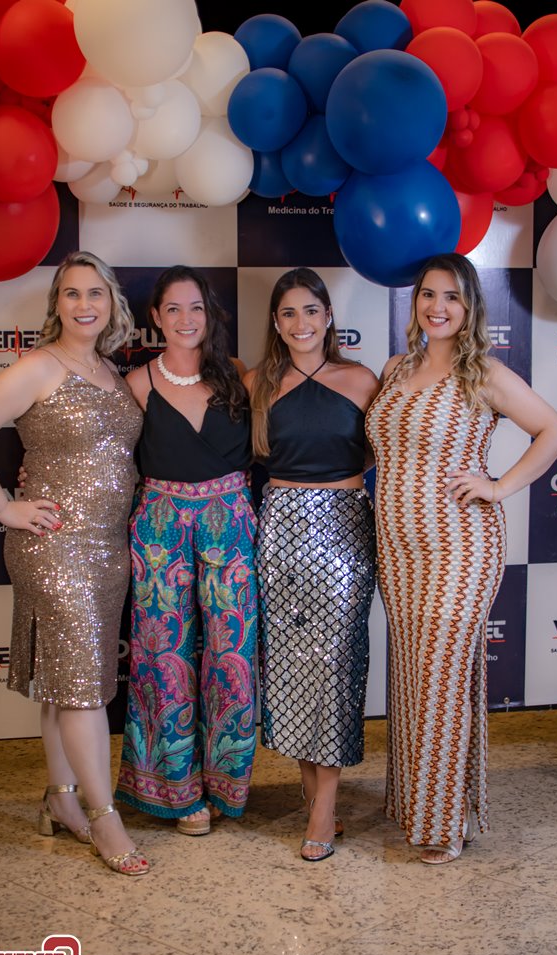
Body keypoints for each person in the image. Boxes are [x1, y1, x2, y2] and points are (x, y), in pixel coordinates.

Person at [365, 253, 557, 865]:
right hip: (397, 547)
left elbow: (555, 431)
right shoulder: (395, 367)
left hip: (461, 544)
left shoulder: (483, 373)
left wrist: (499, 485)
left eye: (452, 297)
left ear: (471, 306)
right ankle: (415, 806)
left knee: (441, 677)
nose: (438, 307)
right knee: (412, 675)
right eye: (428, 294)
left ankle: (442, 824)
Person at [0, 251, 149, 876]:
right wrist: (3, 506)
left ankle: (61, 798)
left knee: (66, 678)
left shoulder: (112, 371)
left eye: (96, 293)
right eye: (72, 293)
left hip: (109, 549)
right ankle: (104, 818)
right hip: (55, 547)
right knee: (83, 686)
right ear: (56, 304)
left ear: (112, 303)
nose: (85, 304)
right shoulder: (39, 366)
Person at [114, 266, 258, 835]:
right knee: (162, 660)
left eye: (195, 306)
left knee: (231, 658)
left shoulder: (238, 375)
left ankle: (225, 783)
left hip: (231, 525)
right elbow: (106, 457)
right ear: (155, 316)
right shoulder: (137, 383)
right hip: (160, 530)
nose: (185, 318)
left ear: (209, 312)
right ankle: (174, 791)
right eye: (172, 308)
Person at [244, 267, 379, 862]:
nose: (301, 323)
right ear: (276, 323)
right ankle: (314, 794)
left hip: (345, 529)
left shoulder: (361, 380)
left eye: (311, 310)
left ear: (328, 317)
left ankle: (324, 807)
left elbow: (389, 449)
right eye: (288, 313)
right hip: (279, 531)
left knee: (337, 665)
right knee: (293, 668)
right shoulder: (256, 384)